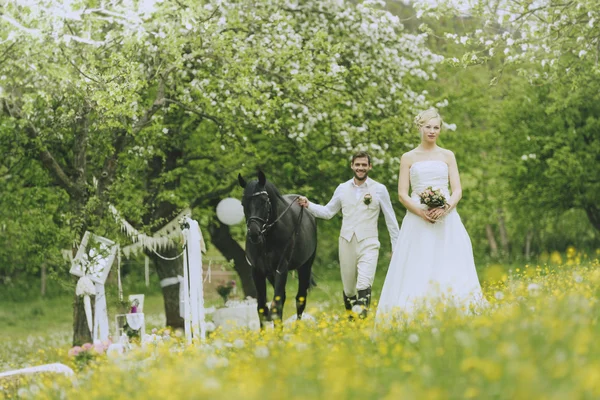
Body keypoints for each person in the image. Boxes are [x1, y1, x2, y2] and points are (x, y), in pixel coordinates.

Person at [376, 108, 485, 323]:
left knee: (449, 260)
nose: (432, 131)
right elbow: (401, 194)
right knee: (418, 261)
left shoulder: (447, 155)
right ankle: (415, 311)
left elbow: (457, 190)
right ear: (420, 128)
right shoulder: (408, 157)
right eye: (428, 127)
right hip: (418, 218)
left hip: (447, 218)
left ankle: (454, 310)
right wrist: (421, 212)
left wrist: (445, 208)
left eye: (436, 127)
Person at [298, 151, 400, 318]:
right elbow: (328, 212)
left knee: (364, 284)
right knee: (350, 289)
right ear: (352, 166)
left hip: (369, 243)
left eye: (364, 165)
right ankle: (351, 322)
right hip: (346, 243)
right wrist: (308, 204)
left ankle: (362, 324)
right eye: (357, 164)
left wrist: (397, 246)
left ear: (370, 166)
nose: (360, 168)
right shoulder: (342, 188)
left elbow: (391, 220)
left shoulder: (380, 189)